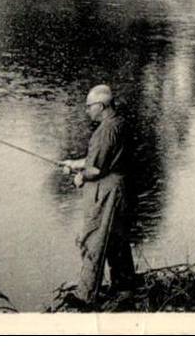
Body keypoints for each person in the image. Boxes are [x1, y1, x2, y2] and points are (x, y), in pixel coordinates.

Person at [59, 84, 136, 306]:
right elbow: (102, 159)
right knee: (116, 238)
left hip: (107, 193)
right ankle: (125, 287)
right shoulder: (119, 124)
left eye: (89, 106)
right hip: (121, 189)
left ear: (101, 106)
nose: (87, 111)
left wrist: (80, 176)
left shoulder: (103, 131)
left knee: (94, 239)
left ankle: (86, 296)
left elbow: (95, 170)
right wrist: (73, 163)